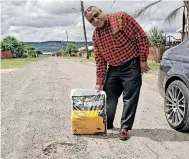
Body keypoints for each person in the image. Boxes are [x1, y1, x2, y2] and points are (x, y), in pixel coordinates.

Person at [84, 6, 150, 140]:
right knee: (109, 97)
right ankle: (107, 123)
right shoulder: (96, 36)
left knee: (130, 98)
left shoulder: (120, 18)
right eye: (92, 20)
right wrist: (99, 82)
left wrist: (142, 61)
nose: (96, 20)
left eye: (96, 15)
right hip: (113, 68)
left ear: (102, 11)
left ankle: (125, 128)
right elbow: (100, 61)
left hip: (131, 65)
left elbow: (142, 38)